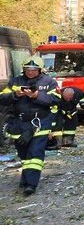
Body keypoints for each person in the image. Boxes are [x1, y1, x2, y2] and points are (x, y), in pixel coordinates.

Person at [0, 55, 60, 195]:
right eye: (27, 69)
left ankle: (31, 185)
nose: (30, 72)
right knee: (24, 153)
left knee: (35, 153)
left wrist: (37, 96)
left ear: (40, 70)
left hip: (40, 122)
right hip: (20, 123)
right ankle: (26, 177)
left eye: (33, 69)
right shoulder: (16, 81)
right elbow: (2, 98)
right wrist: (15, 94)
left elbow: (56, 99)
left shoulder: (49, 82)